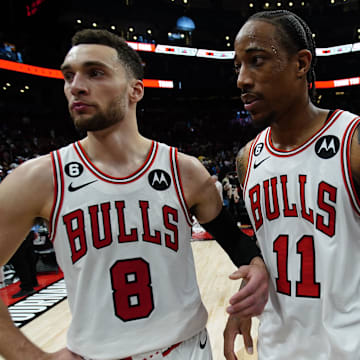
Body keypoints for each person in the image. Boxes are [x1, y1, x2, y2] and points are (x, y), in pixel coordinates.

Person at [0, 29, 268, 360]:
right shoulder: (37, 179)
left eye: (95, 73)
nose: (76, 86)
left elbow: (240, 246)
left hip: (188, 350)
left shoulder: (186, 172)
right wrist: (34, 357)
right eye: (68, 76)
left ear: (135, 90)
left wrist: (254, 274)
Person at [223, 9, 360, 360]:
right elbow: (277, 244)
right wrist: (255, 273)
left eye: (256, 61)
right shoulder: (247, 159)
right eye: (237, 66)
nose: (242, 79)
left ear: (301, 64)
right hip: (277, 348)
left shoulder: (352, 142)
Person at [10, 226, 39, 298]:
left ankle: (27, 287)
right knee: (28, 256)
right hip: (27, 230)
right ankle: (33, 281)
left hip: (17, 232)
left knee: (19, 259)